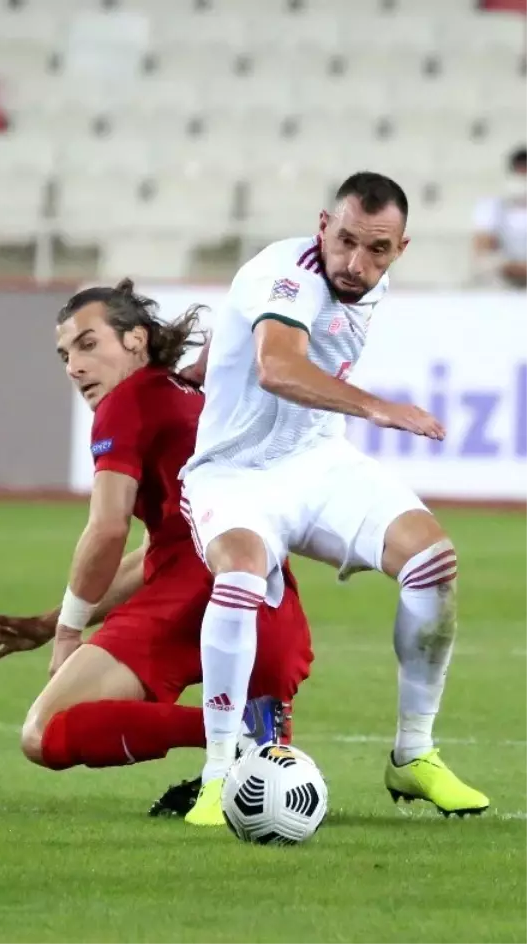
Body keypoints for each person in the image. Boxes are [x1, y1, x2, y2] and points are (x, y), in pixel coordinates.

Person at [178, 171, 489, 826]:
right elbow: (277, 365)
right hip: (233, 474)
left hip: (317, 463)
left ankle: (413, 754)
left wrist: (204, 365)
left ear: (400, 248)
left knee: (433, 560)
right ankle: (216, 777)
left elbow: (245, 336)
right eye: (345, 240)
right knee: (237, 574)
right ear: (323, 226)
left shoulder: (369, 278)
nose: (356, 262)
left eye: (377, 249)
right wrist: (378, 408)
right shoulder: (289, 272)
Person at [0, 279, 314, 819]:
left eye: (87, 344)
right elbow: (159, 554)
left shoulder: (128, 403)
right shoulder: (188, 396)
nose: (73, 367)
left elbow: (107, 528)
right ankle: (252, 732)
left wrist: (69, 633)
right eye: (64, 355)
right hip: (265, 601)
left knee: (44, 733)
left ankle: (229, 733)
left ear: (135, 340)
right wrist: (50, 620)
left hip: (193, 593)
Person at [472, 146, 527, 289]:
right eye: (520, 174)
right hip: (503, 277)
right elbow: (482, 247)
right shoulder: (492, 206)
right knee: (485, 263)